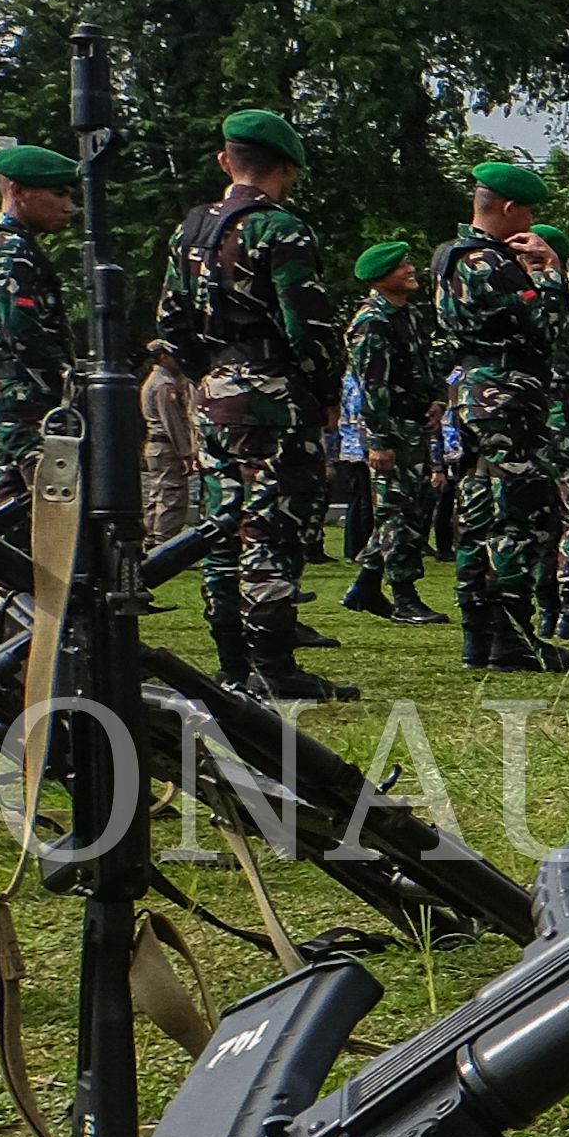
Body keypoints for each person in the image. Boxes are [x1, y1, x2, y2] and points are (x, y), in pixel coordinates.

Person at [162, 107, 344, 699]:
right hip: (272, 394)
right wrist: (322, 391)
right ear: (286, 170)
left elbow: (171, 324)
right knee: (272, 528)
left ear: (226, 161)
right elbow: (308, 327)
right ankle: (274, 666)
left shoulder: (189, 230)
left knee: (221, 529)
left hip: (213, 393)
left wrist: (209, 375)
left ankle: (232, 666)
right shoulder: (279, 229)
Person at [434, 163, 567, 668]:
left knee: (475, 513)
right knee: (516, 514)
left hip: (471, 394)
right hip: (506, 394)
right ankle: (511, 637)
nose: (530, 222)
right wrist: (550, 270)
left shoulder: (449, 256)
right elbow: (547, 320)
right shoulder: (489, 263)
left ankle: (479, 635)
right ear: (509, 208)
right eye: (528, 211)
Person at [0, 143, 81, 500]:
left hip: (11, 398)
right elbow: (20, 328)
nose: (68, 206)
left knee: (11, 511)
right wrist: (66, 379)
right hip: (26, 401)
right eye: (57, 194)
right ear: (18, 191)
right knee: (56, 510)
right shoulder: (11, 248)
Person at [341, 237, 445, 622]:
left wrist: (436, 400)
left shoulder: (409, 316)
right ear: (381, 277)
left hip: (414, 424)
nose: (410, 269)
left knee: (410, 509)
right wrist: (379, 441)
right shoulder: (372, 323)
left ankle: (366, 587)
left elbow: (425, 364)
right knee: (398, 512)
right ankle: (404, 596)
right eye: (401, 266)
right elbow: (372, 387)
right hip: (390, 428)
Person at [138, 340, 200, 546]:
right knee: (171, 497)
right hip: (167, 447)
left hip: (156, 446)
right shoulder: (164, 385)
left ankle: (151, 537)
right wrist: (186, 454)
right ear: (163, 357)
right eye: (173, 357)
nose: (177, 361)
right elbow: (172, 422)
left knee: (157, 495)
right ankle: (165, 544)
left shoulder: (152, 380)